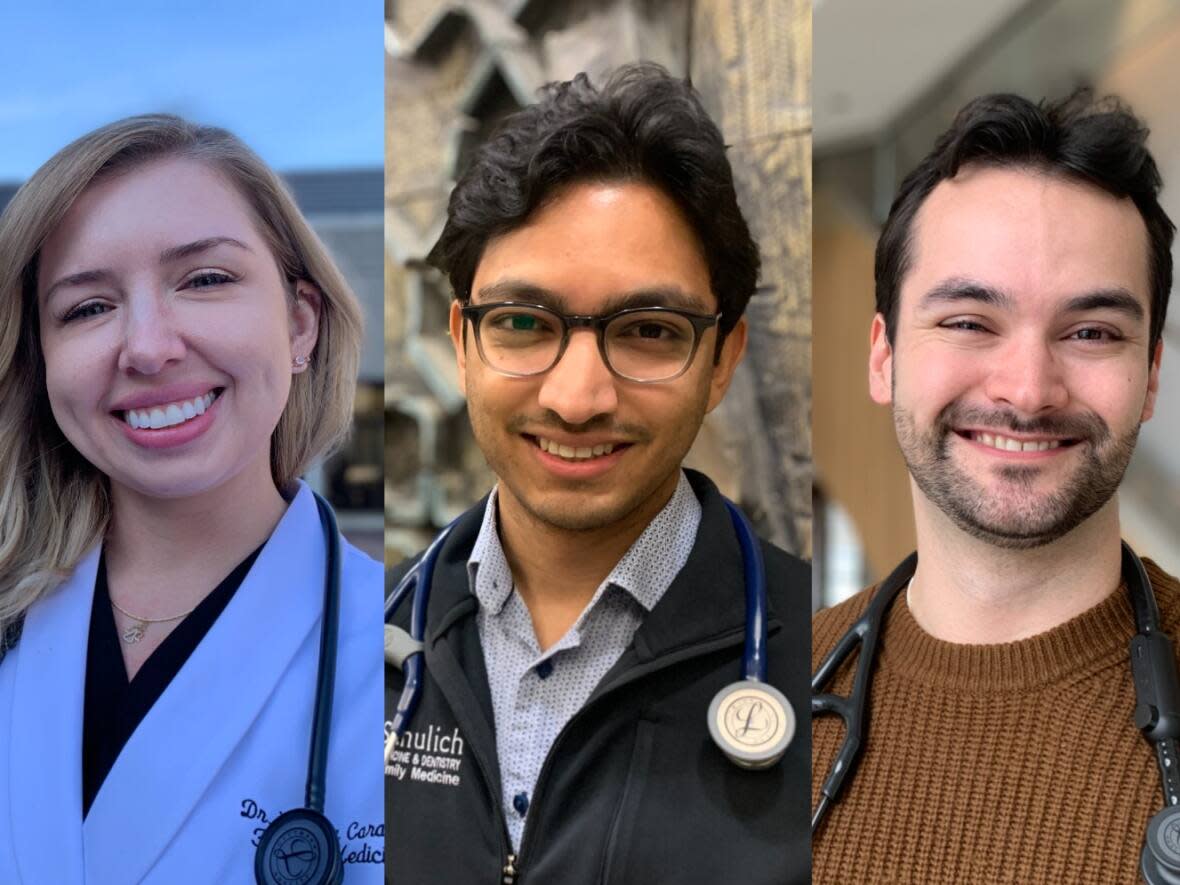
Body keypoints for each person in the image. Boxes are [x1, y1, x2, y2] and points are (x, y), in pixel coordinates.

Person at [385, 64, 810, 884]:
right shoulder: (355, 654)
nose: (577, 398)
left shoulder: (827, 662)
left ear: (723, 359)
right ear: (462, 343)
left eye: (649, 330)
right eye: (520, 322)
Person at [0, 115, 384, 883]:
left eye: (205, 279)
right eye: (86, 307)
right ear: (40, 362)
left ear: (301, 323)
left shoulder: (405, 650)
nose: (147, 346)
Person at [811, 91, 1177, 884]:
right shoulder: (767, 691)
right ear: (884, 356)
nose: (1027, 390)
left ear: (1150, 375)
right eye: (970, 320)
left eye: (1090, 333)